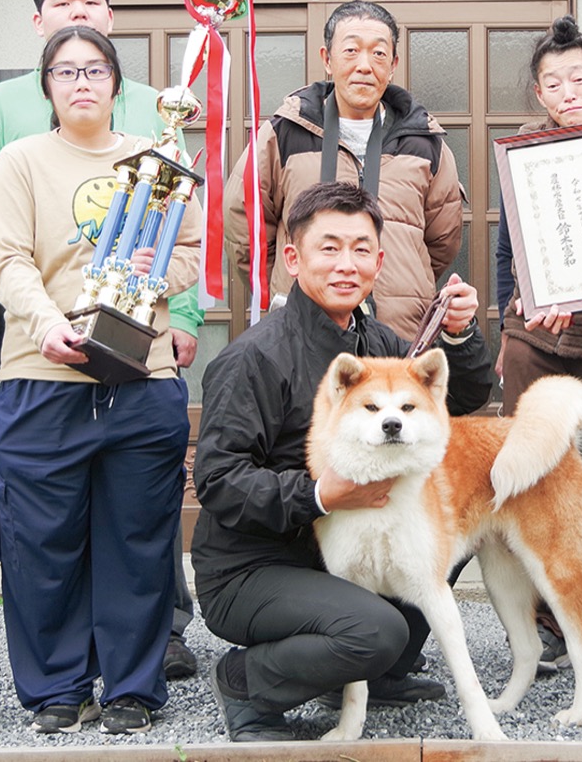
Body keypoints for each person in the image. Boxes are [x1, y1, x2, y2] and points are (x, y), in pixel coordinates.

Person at [0, 0, 203, 680]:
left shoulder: (158, 158)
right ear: (46, 83)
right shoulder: (20, 159)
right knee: (43, 545)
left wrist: (156, 275)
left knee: (138, 543)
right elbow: (5, 258)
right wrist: (46, 325)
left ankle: (133, 685)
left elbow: (190, 251)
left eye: (95, 70)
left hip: (141, 374)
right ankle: (56, 689)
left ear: (116, 82)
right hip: (43, 374)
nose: (81, 82)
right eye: (65, 72)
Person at [192, 180, 491, 742]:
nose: (346, 264)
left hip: (341, 548)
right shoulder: (253, 358)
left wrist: (460, 334)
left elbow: (460, 399)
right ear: (292, 258)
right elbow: (218, 480)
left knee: (445, 538)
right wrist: (319, 495)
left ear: (380, 260)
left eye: (360, 249)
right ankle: (245, 683)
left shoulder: (378, 342)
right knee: (374, 631)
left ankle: (371, 672)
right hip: (254, 568)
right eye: (328, 248)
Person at [223, 0, 463, 341]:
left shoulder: (424, 142)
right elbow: (246, 227)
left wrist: (400, 280)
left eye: (378, 54)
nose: (365, 65)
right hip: (303, 333)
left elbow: (442, 242)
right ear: (327, 59)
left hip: (399, 333)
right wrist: (289, 280)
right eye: (351, 51)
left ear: (393, 65)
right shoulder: (284, 133)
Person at [493, 14, 582, 671]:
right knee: (538, 474)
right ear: (540, 93)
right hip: (535, 336)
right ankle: (547, 618)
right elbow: (506, 249)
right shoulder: (523, 153)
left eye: (578, 78)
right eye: (554, 83)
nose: (568, 92)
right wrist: (508, 321)